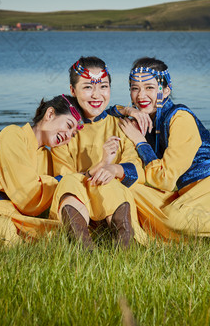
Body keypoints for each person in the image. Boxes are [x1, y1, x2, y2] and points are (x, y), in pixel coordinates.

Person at [113, 56, 210, 240]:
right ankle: (209, 239)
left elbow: (165, 180)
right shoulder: (144, 120)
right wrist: (128, 110)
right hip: (185, 196)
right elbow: (103, 115)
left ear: (166, 90)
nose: (141, 95)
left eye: (149, 88)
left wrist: (140, 142)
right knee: (127, 188)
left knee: (173, 218)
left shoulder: (180, 117)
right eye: (135, 88)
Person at [49, 56, 149, 250]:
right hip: (78, 205)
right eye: (87, 87)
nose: (97, 95)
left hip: (110, 204)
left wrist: (113, 169)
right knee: (69, 182)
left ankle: (124, 245)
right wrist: (98, 167)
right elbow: (62, 178)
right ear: (72, 90)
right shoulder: (65, 130)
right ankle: (84, 246)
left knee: (110, 184)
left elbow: (136, 169)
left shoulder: (120, 125)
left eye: (103, 86)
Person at [0, 95, 84, 245]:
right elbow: (26, 195)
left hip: (22, 220)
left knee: (63, 235)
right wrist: (60, 181)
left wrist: (60, 148)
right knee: (3, 230)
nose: (68, 137)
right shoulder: (13, 135)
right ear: (50, 114)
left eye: (72, 135)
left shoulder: (49, 155)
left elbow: (68, 184)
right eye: (68, 125)